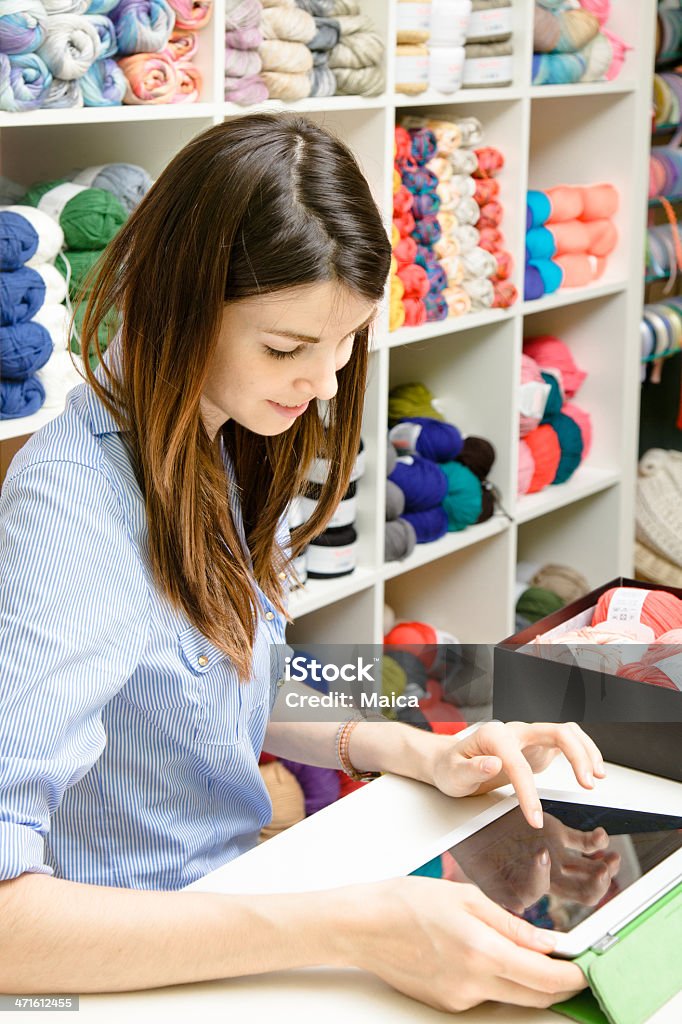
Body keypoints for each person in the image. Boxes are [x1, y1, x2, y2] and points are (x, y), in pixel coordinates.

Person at [0, 113, 603, 1012]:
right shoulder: (75, 510)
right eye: (287, 348)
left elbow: (228, 674)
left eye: (345, 344)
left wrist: (410, 747)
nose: (325, 384)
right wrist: (345, 927)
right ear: (178, 300)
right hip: (126, 977)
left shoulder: (211, 438)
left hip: (222, 926)